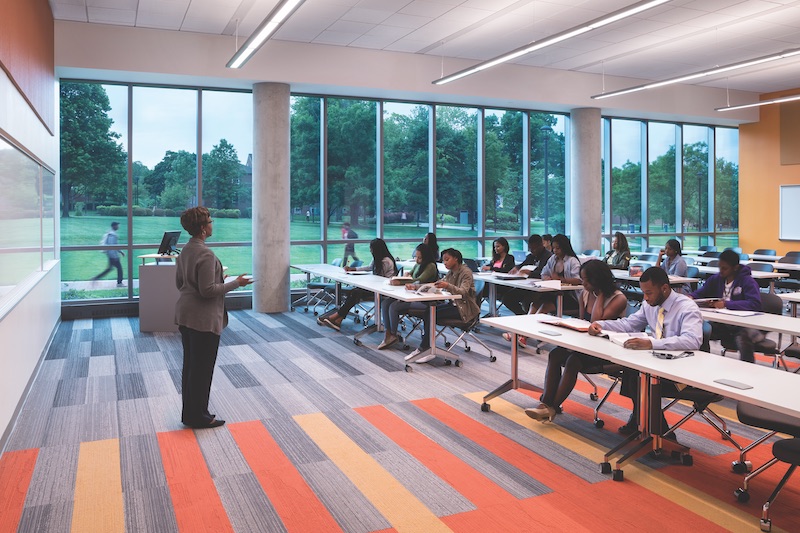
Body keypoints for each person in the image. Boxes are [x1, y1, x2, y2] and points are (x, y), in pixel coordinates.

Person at [588, 267, 703, 435]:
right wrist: (602, 324)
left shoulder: (686, 307)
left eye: (649, 293)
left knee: (641, 378)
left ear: (664, 288)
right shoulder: (650, 304)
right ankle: (645, 423)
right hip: (658, 363)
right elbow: (629, 324)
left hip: (683, 369)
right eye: (643, 293)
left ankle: (658, 433)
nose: (645, 298)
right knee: (632, 371)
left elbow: (692, 340)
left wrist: (652, 344)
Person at [174, 207, 253, 429]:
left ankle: (191, 414)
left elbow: (181, 283)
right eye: (209, 220)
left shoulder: (186, 250)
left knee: (191, 367)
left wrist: (219, 278)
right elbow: (207, 291)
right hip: (203, 318)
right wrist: (236, 283)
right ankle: (198, 417)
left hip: (186, 315)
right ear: (202, 228)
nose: (212, 223)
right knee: (202, 369)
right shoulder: (206, 254)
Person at [525, 261, 628, 422]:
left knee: (573, 361)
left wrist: (600, 294)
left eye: (586, 280)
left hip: (607, 350)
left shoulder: (618, 298)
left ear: (598, 280)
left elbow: (596, 321)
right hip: (586, 344)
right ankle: (546, 403)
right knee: (555, 355)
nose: (583, 283)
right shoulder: (585, 294)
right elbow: (582, 323)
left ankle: (551, 407)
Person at [406, 248, 480, 363]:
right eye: (443, 260)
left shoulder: (466, 272)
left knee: (430, 314)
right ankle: (426, 347)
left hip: (464, 310)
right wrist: (415, 287)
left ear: (456, 259)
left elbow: (463, 292)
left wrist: (447, 286)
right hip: (454, 305)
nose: (444, 263)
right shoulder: (451, 273)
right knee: (428, 312)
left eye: (447, 260)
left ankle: (426, 348)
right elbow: (436, 284)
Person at [688, 249, 761, 357]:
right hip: (723, 323)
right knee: (701, 330)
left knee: (743, 339)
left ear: (735, 268)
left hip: (743, 324)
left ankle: (747, 369)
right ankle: (702, 359)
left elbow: (755, 304)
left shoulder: (747, 281)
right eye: (720, 267)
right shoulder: (716, 279)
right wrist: (691, 296)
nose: (721, 271)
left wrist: (726, 304)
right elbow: (702, 292)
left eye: (725, 268)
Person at [323, 238, 397, 331]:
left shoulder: (386, 261)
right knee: (355, 292)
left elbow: (379, 277)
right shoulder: (378, 258)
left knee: (356, 292)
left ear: (377, 249)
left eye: (371, 248)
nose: (370, 250)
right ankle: (339, 319)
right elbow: (369, 267)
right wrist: (353, 269)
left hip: (383, 291)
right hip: (376, 287)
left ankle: (338, 316)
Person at [379, 243, 439, 350]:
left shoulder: (431, 266)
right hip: (412, 295)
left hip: (424, 300)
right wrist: (406, 276)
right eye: (416, 257)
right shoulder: (418, 265)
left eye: (420, 257)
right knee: (385, 303)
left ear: (426, 256)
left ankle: (393, 334)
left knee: (394, 306)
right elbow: (410, 276)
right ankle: (388, 333)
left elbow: (418, 280)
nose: (417, 260)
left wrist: (404, 280)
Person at [501, 234, 552, 315]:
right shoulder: (531, 256)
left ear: (541, 245)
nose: (532, 250)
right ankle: (522, 315)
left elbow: (544, 273)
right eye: (530, 248)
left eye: (534, 248)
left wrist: (530, 273)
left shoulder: (548, 257)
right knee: (507, 298)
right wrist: (516, 268)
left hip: (541, 287)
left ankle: (528, 317)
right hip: (528, 285)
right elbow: (522, 265)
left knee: (528, 301)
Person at [93, 221, 125, 286]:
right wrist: (114, 256)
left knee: (109, 269)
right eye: (117, 225)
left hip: (111, 255)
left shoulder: (111, 234)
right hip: (113, 256)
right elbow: (112, 246)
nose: (118, 227)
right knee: (119, 269)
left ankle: (96, 278)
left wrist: (120, 251)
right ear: (114, 226)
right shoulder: (112, 235)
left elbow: (114, 245)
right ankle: (119, 283)